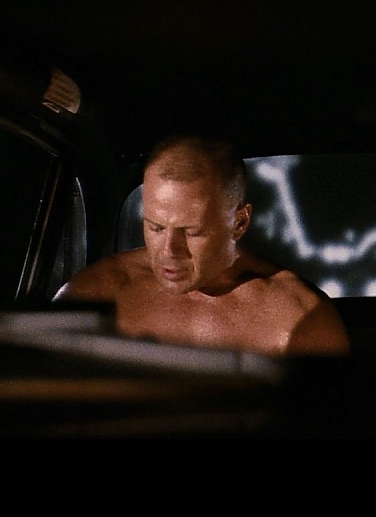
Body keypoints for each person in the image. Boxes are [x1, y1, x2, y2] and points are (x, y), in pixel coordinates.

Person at [55, 135, 351, 357]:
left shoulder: (300, 320)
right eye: (156, 227)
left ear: (239, 223)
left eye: (192, 232)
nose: (169, 251)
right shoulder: (96, 295)